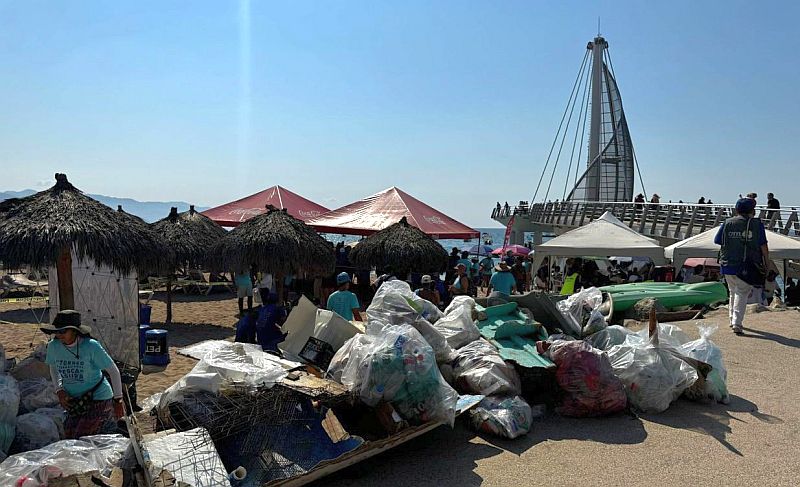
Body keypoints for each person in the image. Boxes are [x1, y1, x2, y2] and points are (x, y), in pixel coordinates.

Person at [43, 310, 125, 438]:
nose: (59, 335)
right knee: (69, 435)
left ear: (74, 331)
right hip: (74, 400)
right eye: (57, 331)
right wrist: (59, 390)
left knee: (82, 438)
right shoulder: (53, 347)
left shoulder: (91, 346)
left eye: (63, 331)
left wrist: (118, 400)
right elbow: (53, 368)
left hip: (98, 398)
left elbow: (113, 371)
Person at [715, 197, 769, 335]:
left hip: (727, 264)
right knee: (742, 293)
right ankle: (737, 323)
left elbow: (718, 240)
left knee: (733, 291)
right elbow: (763, 246)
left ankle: (732, 319)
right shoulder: (756, 225)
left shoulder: (727, 223)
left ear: (737, 210)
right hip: (746, 265)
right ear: (752, 210)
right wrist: (766, 263)